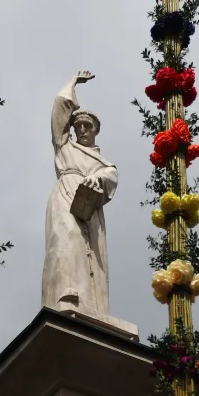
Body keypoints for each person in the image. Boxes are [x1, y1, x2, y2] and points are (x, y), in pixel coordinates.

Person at [43, 70, 119, 318]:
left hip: (90, 204)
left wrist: (96, 179)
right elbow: (58, 110)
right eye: (78, 126)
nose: (82, 130)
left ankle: (93, 306)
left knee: (92, 254)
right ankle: (65, 294)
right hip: (65, 196)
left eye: (88, 126)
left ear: (96, 130)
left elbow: (110, 175)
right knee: (67, 241)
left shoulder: (102, 162)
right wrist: (74, 83)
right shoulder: (65, 145)